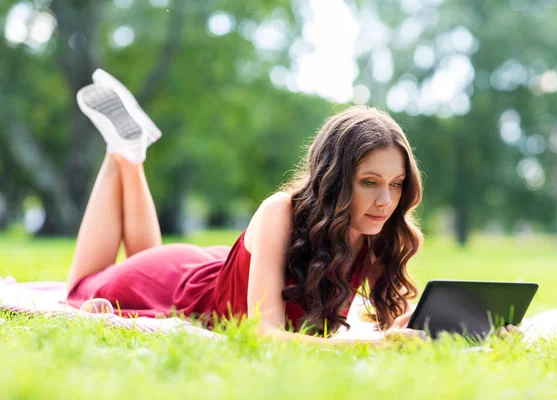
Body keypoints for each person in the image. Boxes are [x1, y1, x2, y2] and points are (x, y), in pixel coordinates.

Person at [66, 69, 427, 345]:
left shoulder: (372, 234)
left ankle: (128, 151)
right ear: (334, 178)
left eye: (396, 185)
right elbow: (265, 336)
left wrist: (416, 327)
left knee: (142, 257)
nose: (385, 202)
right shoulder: (280, 211)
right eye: (369, 182)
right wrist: (374, 348)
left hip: (207, 271)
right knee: (78, 289)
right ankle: (123, 155)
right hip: (177, 284)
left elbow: (389, 320)